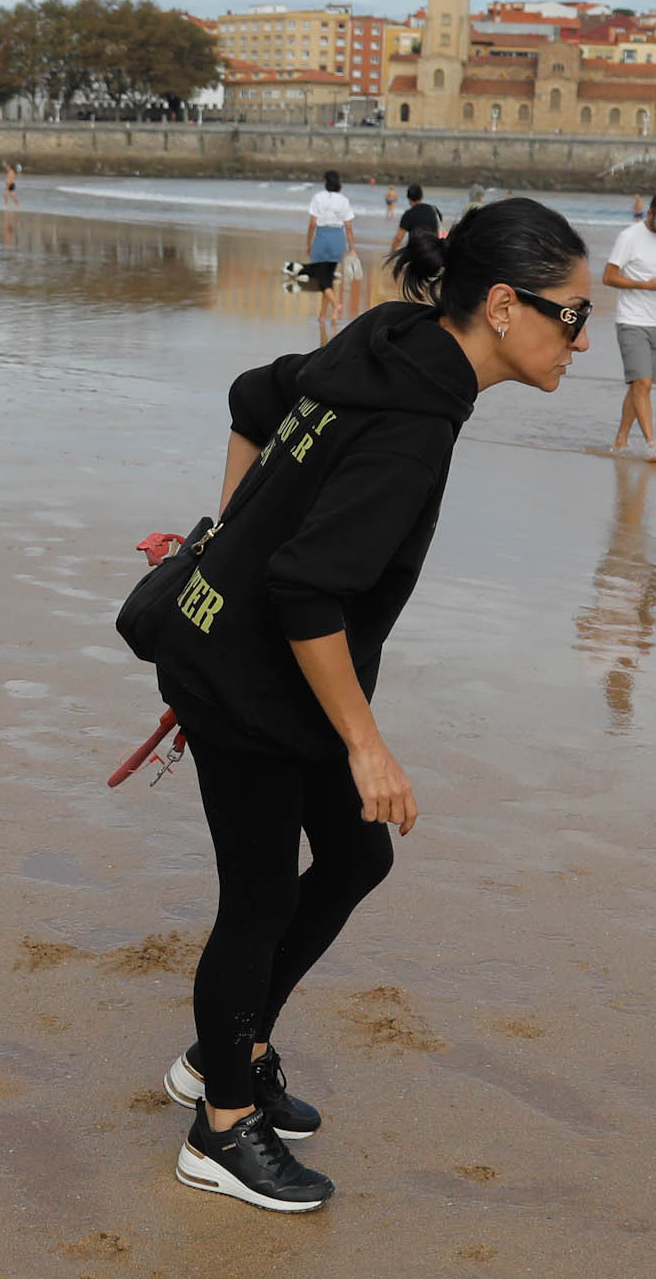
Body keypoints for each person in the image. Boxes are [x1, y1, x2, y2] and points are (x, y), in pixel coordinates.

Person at [148, 199, 594, 1211]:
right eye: (569, 315)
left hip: (255, 654)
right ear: (499, 304)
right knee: (258, 898)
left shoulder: (390, 334)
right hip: (248, 676)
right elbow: (308, 590)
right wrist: (367, 746)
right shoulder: (412, 425)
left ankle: (228, 1047)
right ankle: (219, 1127)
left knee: (354, 855)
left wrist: (229, 537)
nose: (579, 338)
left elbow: (251, 398)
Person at [604, 191, 656, 455]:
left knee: (641, 384)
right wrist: (644, 285)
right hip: (631, 319)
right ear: (650, 214)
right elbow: (608, 277)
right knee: (643, 384)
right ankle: (653, 444)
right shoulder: (628, 237)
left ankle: (620, 440)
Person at [301, 168, 359, 338]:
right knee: (328, 277)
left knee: (320, 278)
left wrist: (309, 243)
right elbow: (348, 227)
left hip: (322, 237)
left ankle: (336, 305)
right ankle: (323, 315)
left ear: (325, 181)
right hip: (337, 239)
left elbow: (312, 224)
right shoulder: (344, 200)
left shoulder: (318, 197)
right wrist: (352, 247)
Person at [384, 182, 444, 301]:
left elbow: (398, 238)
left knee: (415, 284)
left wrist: (392, 252)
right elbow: (437, 233)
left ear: (408, 198)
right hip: (432, 250)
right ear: (421, 196)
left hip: (416, 251)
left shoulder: (409, 214)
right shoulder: (432, 210)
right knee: (429, 282)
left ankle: (418, 303)